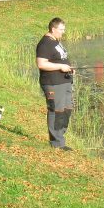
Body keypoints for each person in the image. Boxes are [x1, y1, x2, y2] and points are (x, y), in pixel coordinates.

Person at [35, 17, 74, 150]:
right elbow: (41, 64)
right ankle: (56, 143)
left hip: (64, 82)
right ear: (53, 29)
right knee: (56, 111)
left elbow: (60, 59)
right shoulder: (45, 43)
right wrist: (60, 67)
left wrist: (68, 68)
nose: (63, 32)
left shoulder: (55, 41)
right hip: (53, 83)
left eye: (64, 29)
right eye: (61, 30)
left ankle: (61, 139)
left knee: (66, 110)